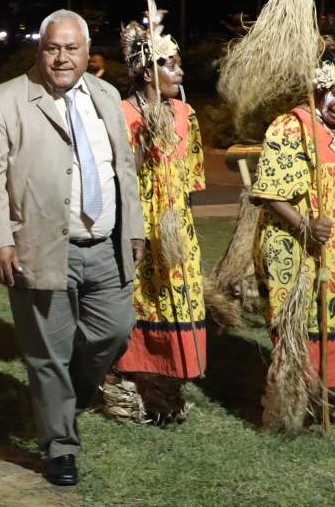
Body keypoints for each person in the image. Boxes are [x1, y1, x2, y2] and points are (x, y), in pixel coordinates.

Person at [0, 9, 144, 487]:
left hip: (107, 244)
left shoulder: (108, 96)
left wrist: (135, 229)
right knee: (47, 355)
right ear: (40, 50)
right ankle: (60, 447)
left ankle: (65, 399)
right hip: (40, 247)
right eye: (53, 48)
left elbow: (122, 169)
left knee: (113, 333)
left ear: (89, 53)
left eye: (72, 48)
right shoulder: (3, 100)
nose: (63, 58)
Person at [252, 32, 335, 432]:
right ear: (321, 86)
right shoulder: (290, 127)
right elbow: (269, 193)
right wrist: (304, 223)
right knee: (300, 322)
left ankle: (321, 395)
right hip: (292, 244)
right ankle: (293, 401)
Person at [107, 22, 206, 423]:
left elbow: (191, 175)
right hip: (138, 225)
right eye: (171, 65)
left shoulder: (184, 112)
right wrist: (145, 138)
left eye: (180, 65)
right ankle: (122, 387)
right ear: (148, 71)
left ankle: (166, 388)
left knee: (178, 302)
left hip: (176, 229)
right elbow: (116, 174)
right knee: (139, 302)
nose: (180, 72)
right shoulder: (122, 112)